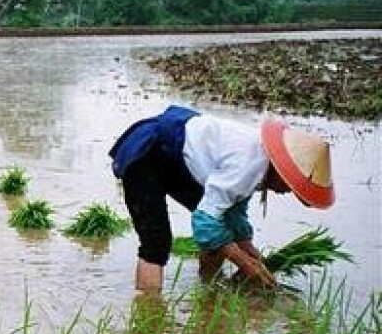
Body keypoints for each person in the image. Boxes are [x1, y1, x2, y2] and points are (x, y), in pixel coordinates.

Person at [109, 105, 334, 293]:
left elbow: (231, 213)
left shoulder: (259, 163)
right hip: (148, 153)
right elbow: (204, 222)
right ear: (282, 169)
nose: (288, 192)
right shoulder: (247, 164)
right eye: (290, 184)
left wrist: (251, 253)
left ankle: (208, 292)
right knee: (156, 244)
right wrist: (245, 263)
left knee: (221, 225)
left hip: (176, 159)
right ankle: (148, 316)